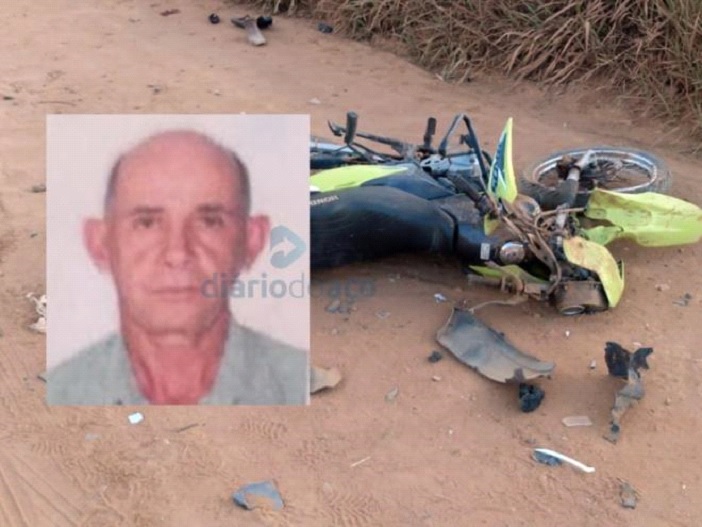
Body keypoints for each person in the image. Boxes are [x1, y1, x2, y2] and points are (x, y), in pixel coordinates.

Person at [46, 130, 309, 405]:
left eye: (209, 221)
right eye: (147, 223)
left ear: (252, 241)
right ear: (100, 243)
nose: (178, 253)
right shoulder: (58, 395)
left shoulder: (300, 386)